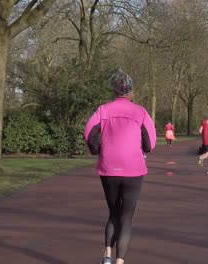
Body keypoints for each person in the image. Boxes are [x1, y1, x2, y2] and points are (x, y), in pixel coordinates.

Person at [84, 69, 156, 264]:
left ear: (114, 91)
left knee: (113, 213)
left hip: (109, 168)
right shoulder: (140, 112)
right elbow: (150, 143)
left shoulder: (103, 110)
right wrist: (143, 147)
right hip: (134, 169)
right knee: (126, 218)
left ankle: (107, 256)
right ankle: (120, 262)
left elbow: (89, 132)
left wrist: (97, 150)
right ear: (131, 92)